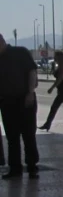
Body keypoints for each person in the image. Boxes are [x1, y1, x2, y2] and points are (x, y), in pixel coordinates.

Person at [0, 33, 39, 179]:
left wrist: (30, 93)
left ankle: (32, 166)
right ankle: (15, 168)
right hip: (6, 102)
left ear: (2, 41)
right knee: (12, 137)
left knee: (28, 135)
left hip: (25, 100)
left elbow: (32, 72)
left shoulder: (20, 52)